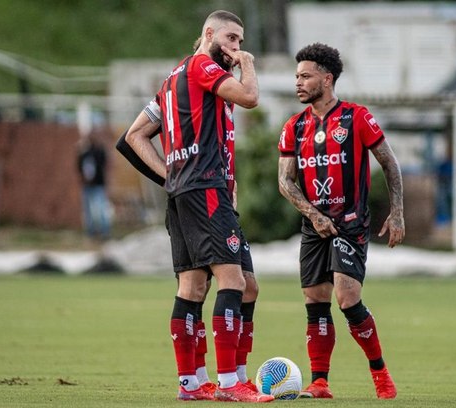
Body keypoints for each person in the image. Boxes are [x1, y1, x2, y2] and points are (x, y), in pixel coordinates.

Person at [124, 10, 272, 403]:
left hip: (188, 192)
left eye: (241, 42)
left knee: (197, 285)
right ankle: (230, 383)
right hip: (205, 190)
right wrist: (249, 66)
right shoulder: (203, 66)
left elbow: (134, 135)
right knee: (235, 282)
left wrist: (171, 177)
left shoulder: (173, 78)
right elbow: (251, 97)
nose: (238, 48)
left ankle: (191, 383)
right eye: (232, 38)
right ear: (209, 34)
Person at [277, 43, 405, 400]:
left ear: (327, 78)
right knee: (315, 300)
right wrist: (314, 215)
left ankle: (380, 374)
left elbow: (389, 163)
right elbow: (284, 181)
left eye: (305, 76)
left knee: (347, 297)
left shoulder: (356, 117)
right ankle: (320, 382)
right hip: (314, 225)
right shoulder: (295, 126)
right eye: (296, 76)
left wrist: (397, 212)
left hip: (350, 222)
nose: (298, 83)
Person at [76, 129, 111, 240]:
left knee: (101, 209)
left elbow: (105, 164)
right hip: (87, 186)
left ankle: (104, 232)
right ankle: (90, 233)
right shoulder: (84, 153)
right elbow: (79, 168)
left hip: (98, 184)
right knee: (88, 212)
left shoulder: (99, 151)